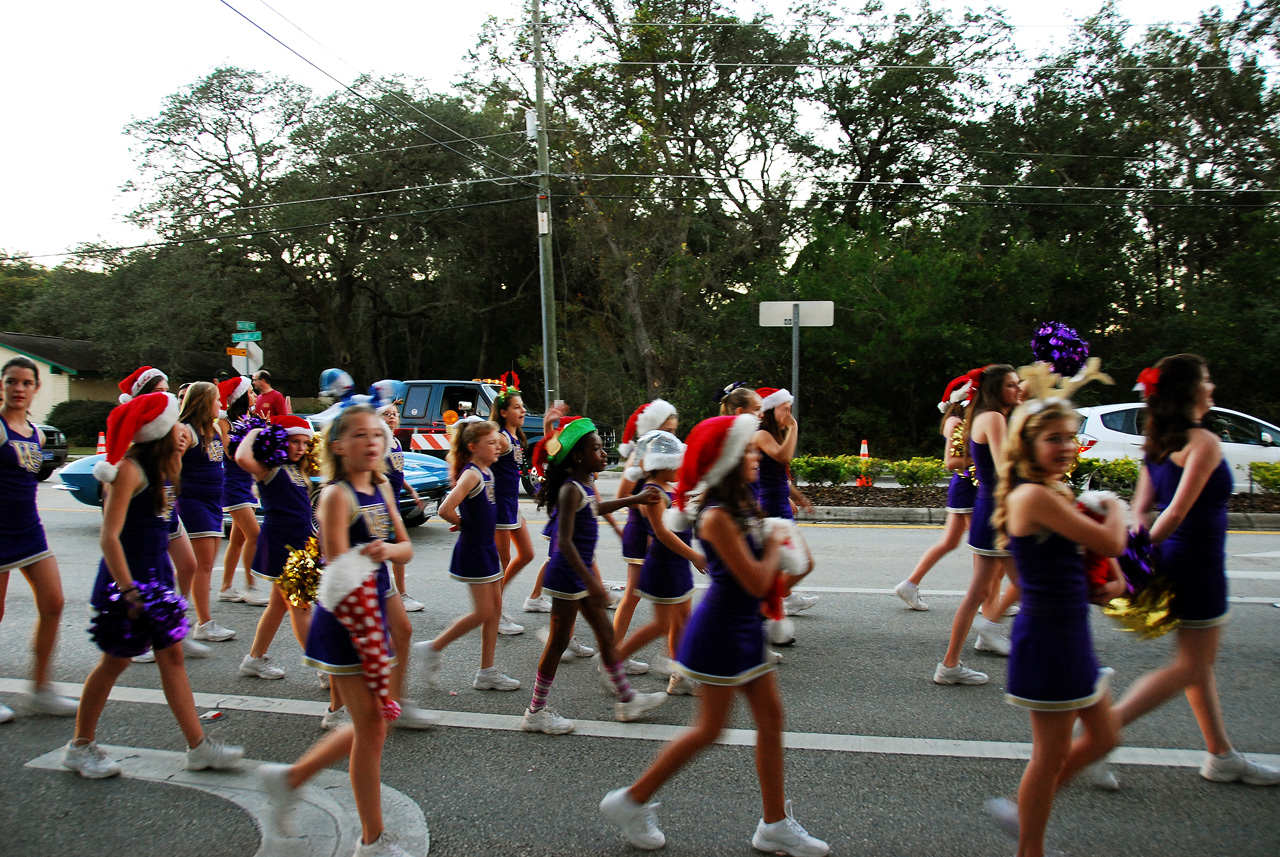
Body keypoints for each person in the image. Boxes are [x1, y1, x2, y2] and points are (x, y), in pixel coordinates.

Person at [600, 415, 828, 856]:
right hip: (720, 632)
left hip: (744, 628)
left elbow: (769, 582)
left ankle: (774, 823)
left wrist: (788, 552)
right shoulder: (717, 516)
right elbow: (757, 582)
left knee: (770, 720)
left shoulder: (744, 501)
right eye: (746, 451)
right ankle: (630, 800)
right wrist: (780, 543)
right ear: (725, 460)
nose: (755, 456)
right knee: (708, 729)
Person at [1080, 355, 1280, 789]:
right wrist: (1131, 559)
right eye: (1207, 380)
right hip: (1198, 566)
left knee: (1196, 664)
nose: (1212, 387)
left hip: (1173, 562)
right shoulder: (1202, 442)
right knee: (1191, 665)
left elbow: (1139, 514)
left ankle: (1221, 755)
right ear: (1190, 391)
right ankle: (1100, 735)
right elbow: (1169, 515)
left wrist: (1132, 559)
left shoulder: (1157, 441)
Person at [260, 403, 419, 856]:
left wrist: (385, 551)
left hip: (375, 609)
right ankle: (371, 841)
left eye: (377, 435)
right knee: (372, 726)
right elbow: (334, 567)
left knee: (374, 723)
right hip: (346, 618)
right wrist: (365, 564)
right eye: (361, 435)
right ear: (337, 445)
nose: (372, 442)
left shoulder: (383, 486)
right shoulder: (335, 496)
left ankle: (290, 779)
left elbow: (405, 549)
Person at [61, 392, 244, 778]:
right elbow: (109, 537)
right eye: (175, 425)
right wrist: (128, 591)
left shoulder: (164, 466)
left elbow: (167, 515)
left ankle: (199, 747)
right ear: (160, 431)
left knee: (172, 659)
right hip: (127, 583)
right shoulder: (130, 470)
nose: (182, 431)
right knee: (115, 662)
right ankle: (80, 745)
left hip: (156, 578)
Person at [981, 397, 1127, 857]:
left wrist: (1110, 580)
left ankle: (1023, 817)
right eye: (1053, 438)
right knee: (1050, 757)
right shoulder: (1034, 496)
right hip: (1049, 639)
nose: (1066, 447)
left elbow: (1068, 563)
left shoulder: (1053, 490)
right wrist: (1114, 504)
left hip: (1069, 631)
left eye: (1070, 437)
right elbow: (1110, 537)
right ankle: (1030, 845)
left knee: (1104, 737)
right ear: (1027, 444)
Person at [519, 417, 668, 734]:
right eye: (597, 448)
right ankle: (536, 710)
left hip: (578, 575)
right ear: (577, 457)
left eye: (603, 448)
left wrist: (635, 499)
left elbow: (596, 510)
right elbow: (564, 541)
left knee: (604, 634)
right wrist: (591, 582)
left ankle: (627, 698)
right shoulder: (570, 490)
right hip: (568, 575)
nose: (604, 453)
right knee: (559, 642)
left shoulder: (584, 486)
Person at [414, 418, 521, 691]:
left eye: (498, 443)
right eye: (491, 443)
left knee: (494, 611)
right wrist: (463, 523)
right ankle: (433, 647)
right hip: (475, 550)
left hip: (487, 548)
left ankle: (487, 671)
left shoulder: (487, 472)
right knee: (484, 611)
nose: (498, 447)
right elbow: (444, 509)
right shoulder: (472, 473)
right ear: (473, 446)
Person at [116, 367, 213, 664]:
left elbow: (175, 474)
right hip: (143, 516)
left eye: (167, 389)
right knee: (147, 575)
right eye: (160, 389)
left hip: (166, 508)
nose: (167, 394)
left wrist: (177, 453)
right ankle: (140, 636)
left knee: (188, 565)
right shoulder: (136, 435)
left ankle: (175, 629)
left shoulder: (172, 428)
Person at [0, 356, 78, 722]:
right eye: (11, 381)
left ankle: (41, 687)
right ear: (3, 385)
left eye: (25, 383)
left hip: (30, 530)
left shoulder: (38, 433)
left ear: (36, 388)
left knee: (54, 603)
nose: (18, 388)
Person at [934, 364, 1020, 685]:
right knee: (1030, 584)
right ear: (997, 389)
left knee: (982, 590)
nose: (1019, 389)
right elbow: (1005, 466)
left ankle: (952, 663)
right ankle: (990, 627)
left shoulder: (986, 416)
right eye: (1012, 385)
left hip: (991, 506)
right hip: (999, 508)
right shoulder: (994, 418)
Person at [612, 430, 705, 695]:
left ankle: (680, 676)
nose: (681, 468)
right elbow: (662, 534)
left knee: (683, 621)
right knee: (661, 625)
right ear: (662, 465)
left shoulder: (669, 489)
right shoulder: (653, 494)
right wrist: (694, 555)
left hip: (677, 566)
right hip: (664, 566)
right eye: (677, 463)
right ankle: (613, 661)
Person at [235, 415, 317, 680]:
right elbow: (241, 459)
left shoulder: (299, 469)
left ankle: (254, 658)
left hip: (301, 544)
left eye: (305, 442)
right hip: (281, 545)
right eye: (294, 441)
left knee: (279, 606)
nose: (300, 448)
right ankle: (323, 666)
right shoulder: (269, 468)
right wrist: (257, 432)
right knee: (301, 606)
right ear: (280, 440)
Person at [895, 369, 982, 611]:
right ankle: (987, 595)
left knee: (951, 542)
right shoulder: (955, 421)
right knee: (983, 546)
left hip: (969, 488)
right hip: (967, 487)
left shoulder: (969, 421)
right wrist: (985, 462)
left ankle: (910, 584)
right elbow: (953, 462)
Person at [611, 399, 679, 666]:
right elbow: (622, 496)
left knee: (669, 598)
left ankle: (671, 659)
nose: (671, 436)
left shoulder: (666, 456)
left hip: (656, 531)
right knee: (633, 596)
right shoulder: (639, 455)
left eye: (674, 431)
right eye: (667, 430)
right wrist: (645, 520)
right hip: (643, 534)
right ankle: (613, 655)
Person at [174, 381, 236, 643]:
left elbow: (229, 455)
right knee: (201, 564)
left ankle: (188, 617)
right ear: (202, 402)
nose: (221, 405)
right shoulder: (185, 431)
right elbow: (172, 469)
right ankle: (196, 620)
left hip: (213, 503)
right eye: (217, 400)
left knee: (206, 564)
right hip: (193, 502)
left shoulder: (211, 428)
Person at [752, 388, 818, 617]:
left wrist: (797, 497)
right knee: (804, 563)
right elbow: (783, 457)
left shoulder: (773, 435)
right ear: (770, 411)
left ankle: (776, 600)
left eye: (791, 410)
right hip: (769, 506)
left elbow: (778, 474)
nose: (789, 415)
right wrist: (794, 427)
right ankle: (770, 602)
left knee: (785, 563)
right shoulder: (761, 434)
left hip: (779, 502)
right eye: (785, 409)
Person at [218, 376, 269, 606]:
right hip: (233, 484)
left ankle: (226, 587)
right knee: (254, 535)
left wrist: (264, 429)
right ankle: (250, 586)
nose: (255, 396)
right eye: (250, 391)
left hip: (248, 484)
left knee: (237, 538)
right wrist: (256, 434)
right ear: (239, 396)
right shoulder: (224, 422)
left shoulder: (251, 419)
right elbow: (231, 452)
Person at [489, 376, 532, 635]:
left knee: (526, 553)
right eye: (517, 407)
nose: (523, 410)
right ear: (503, 412)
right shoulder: (501, 439)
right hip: (499, 507)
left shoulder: (515, 438)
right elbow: (478, 466)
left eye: (523, 406)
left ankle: (493, 604)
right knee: (502, 559)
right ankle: (494, 612)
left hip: (511, 506)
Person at [378, 400, 427, 612]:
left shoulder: (396, 442)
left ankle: (397, 592)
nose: (391, 417)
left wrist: (411, 490)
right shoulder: (378, 443)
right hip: (382, 503)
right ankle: (396, 594)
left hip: (394, 501)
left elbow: (396, 472)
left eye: (394, 414)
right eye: (386, 414)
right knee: (392, 548)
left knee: (395, 549)